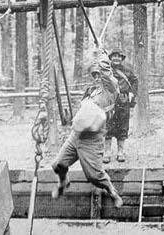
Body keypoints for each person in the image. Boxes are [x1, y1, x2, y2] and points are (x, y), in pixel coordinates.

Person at [51, 49, 123, 208]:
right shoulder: (92, 91)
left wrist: (102, 55)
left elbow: (105, 72)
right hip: (76, 135)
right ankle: (63, 182)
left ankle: (111, 191)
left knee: (95, 176)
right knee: (58, 164)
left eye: (99, 74)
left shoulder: (110, 89)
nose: (97, 77)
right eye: (94, 75)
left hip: (92, 139)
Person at [104, 48, 138, 163]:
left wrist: (132, 93)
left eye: (119, 56)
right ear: (110, 58)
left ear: (122, 58)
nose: (116, 58)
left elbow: (134, 81)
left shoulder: (127, 71)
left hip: (123, 101)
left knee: (122, 126)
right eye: (114, 56)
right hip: (109, 102)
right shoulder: (106, 70)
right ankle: (107, 152)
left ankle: (120, 152)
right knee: (107, 125)